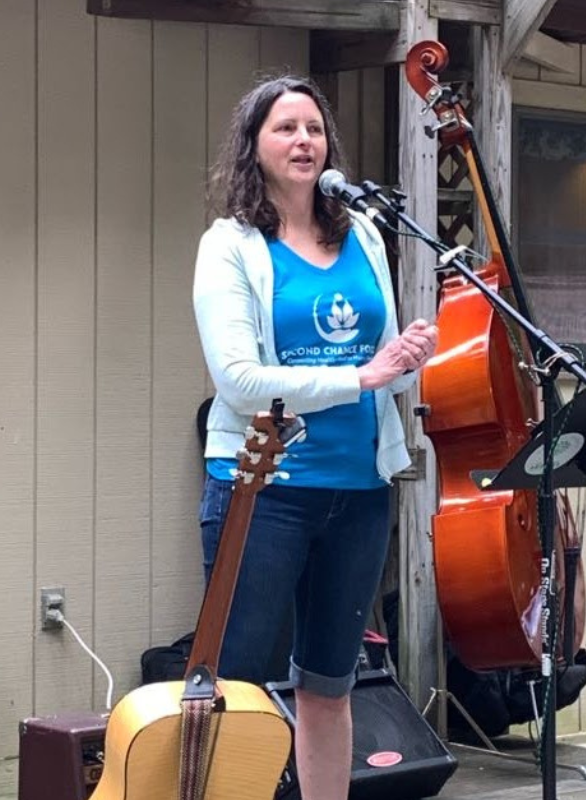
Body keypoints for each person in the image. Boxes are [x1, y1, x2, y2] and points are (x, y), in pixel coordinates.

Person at [192, 75, 439, 800]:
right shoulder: (229, 246)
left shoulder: (361, 232)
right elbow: (239, 378)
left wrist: (404, 360)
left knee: (330, 683)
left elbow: (382, 362)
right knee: (233, 686)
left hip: (358, 492)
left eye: (314, 128)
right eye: (285, 128)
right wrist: (362, 376)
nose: (304, 140)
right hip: (264, 492)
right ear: (254, 146)